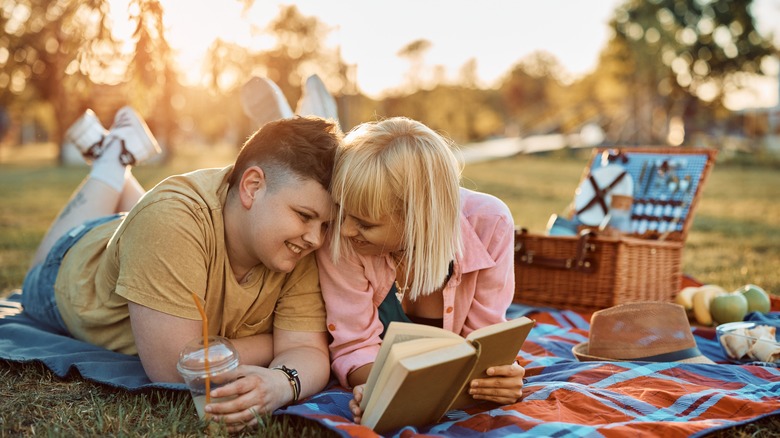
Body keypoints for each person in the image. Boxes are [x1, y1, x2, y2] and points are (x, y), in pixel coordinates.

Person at [20, 94, 343, 431]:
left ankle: (113, 157)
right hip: (70, 265)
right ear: (252, 186)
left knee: (155, 224)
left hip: (148, 239)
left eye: (326, 225)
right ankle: (111, 158)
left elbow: (307, 350)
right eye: (305, 215)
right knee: (148, 223)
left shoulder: (296, 245)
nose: (316, 239)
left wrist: (280, 382)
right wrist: (278, 341)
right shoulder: (170, 221)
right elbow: (176, 368)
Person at [315, 116, 525, 423]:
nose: (345, 229)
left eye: (365, 223)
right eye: (342, 212)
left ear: (417, 218)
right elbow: (354, 345)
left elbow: (483, 342)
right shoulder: (342, 239)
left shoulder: (490, 225)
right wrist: (376, 388)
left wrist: (500, 377)